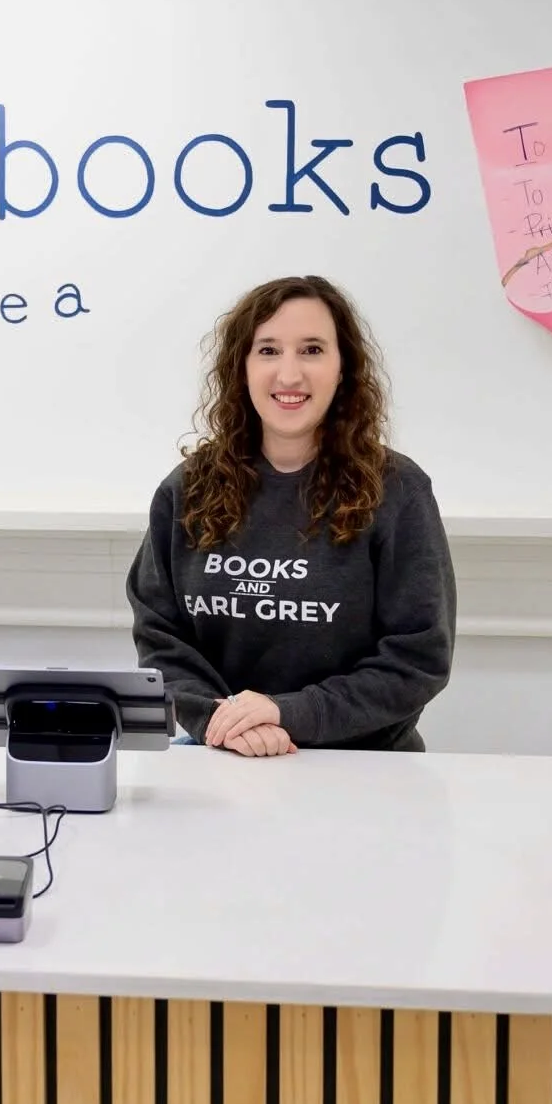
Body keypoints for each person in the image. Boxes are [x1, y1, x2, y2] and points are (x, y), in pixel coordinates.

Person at [124, 275, 457, 756]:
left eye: (313, 350)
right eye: (268, 350)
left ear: (344, 368)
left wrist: (287, 713)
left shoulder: (397, 491)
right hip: (217, 757)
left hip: (362, 770)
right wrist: (222, 720)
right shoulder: (187, 488)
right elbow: (160, 637)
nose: (289, 375)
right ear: (240, 367)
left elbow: (417, 658)